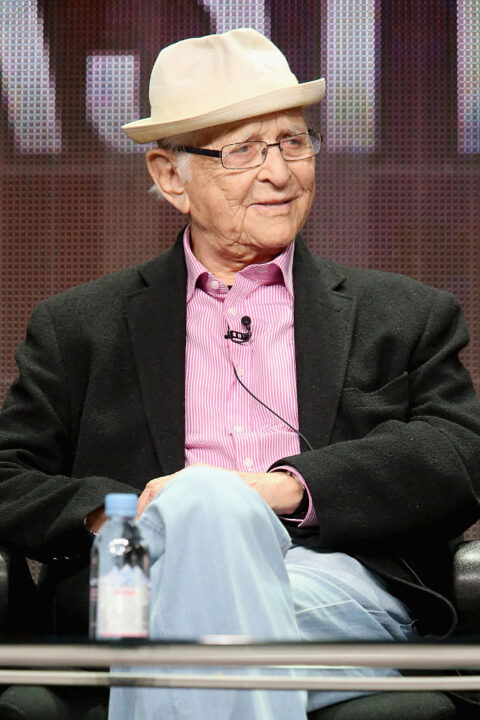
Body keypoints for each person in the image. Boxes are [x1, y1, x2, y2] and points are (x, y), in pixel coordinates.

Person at [0, 27, 480, 720]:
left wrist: (280, 490)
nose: (280, 173)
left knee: (213, 508)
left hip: (333, 582)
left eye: (293, 141)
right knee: (202, 507)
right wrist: (134, 514)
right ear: (171, 177)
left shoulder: (403, 315)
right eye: (243, 151)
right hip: (142, 574)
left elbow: (459, 454)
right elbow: (10, 477)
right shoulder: (80, 327)